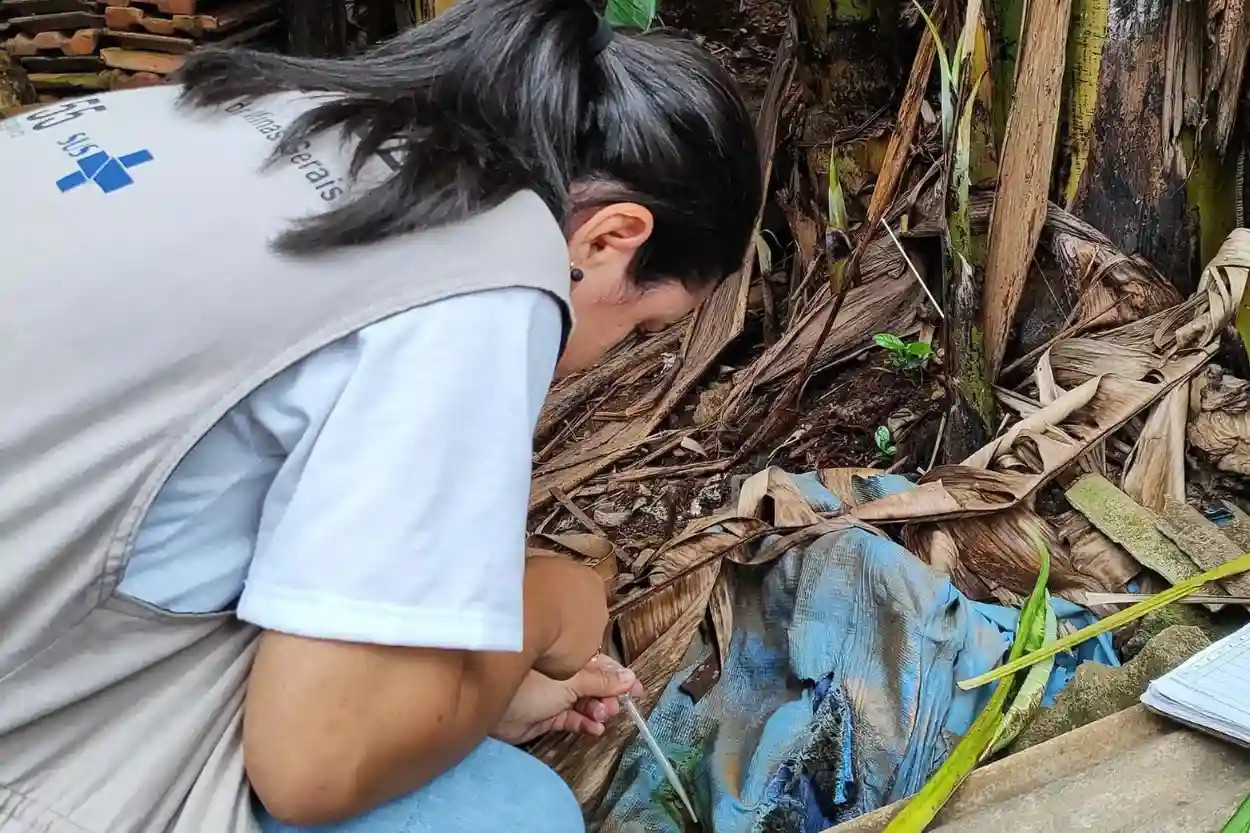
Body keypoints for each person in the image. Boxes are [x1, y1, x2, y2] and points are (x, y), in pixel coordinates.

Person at [0, 0, 761, 831]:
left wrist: (472, 691)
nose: (608, 354)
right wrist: (538, 605)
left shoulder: (257, 108)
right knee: (513, 812)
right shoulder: (489, 266)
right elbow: (314, 766)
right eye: (639, 326)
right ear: (609, 239)